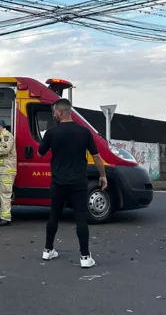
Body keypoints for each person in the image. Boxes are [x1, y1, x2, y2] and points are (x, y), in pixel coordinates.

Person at [38, 98, 107, 268]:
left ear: (60, 112)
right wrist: (103, 175)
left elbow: (40, 153)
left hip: (58, 181)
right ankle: (85, 257)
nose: (54, 114)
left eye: (54, 111)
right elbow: (97, 157)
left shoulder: (51, 133)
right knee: (81, 217)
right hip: (78, 181)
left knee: (54, 214)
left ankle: (48, 250)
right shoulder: (84, 132)